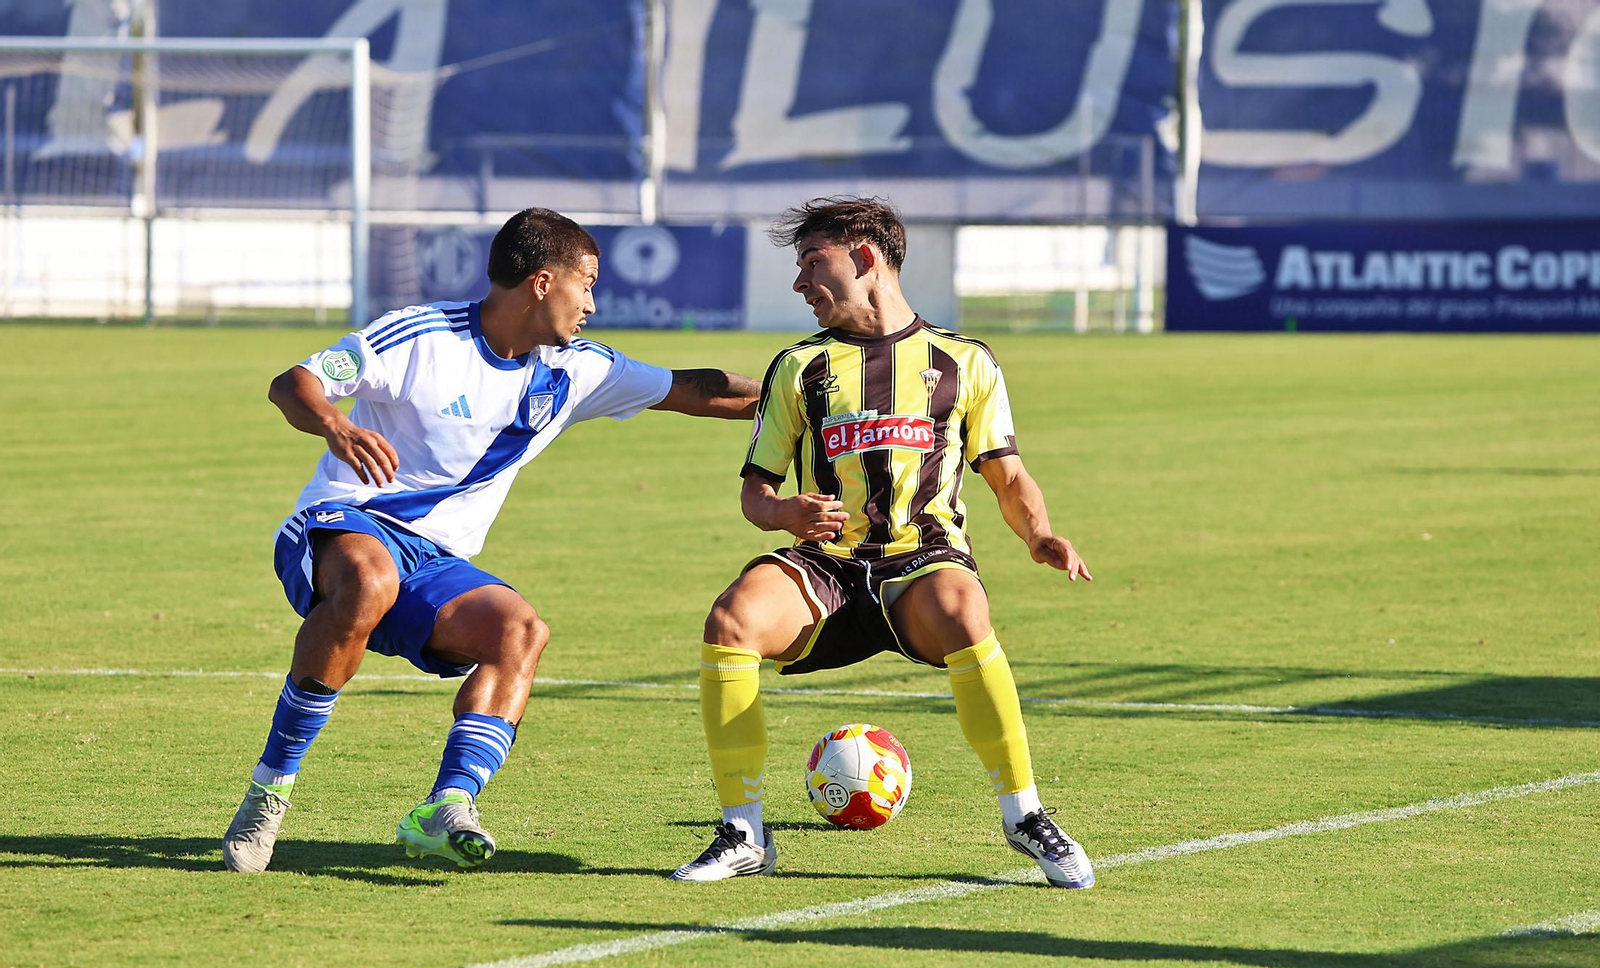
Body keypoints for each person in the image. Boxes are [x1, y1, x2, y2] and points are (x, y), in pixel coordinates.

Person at [223, 207, 759, 873]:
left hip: (435, 563)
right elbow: (293, 383)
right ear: (542, 282)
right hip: (344, 523)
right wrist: (337, 424)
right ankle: (269, 791)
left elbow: (696, 391)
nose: (592, 304)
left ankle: (447, 804)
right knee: (369, 580)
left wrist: (800, 396)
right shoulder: (422, 337)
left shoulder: (578, 368)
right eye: (586, 284)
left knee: (520, 632)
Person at [672, 196, 1095, 888]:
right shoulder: (800, 367)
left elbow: (1008, 474)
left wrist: (1040, 533)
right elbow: (756, 492)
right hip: (826, 565)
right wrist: (784, 513)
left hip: (923, 562)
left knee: (965, 611)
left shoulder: (964, 361)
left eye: (813, 262)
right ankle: (743, 832)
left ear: (866, 257)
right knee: (732, 618)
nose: (800, 282)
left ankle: (1025, 816)